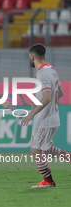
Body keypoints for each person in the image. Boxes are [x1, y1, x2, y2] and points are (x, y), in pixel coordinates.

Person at [21, 43, 70, 188]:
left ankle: (48, 182)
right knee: (45, 147)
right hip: (53, 116)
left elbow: (48, 97)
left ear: (32, 56)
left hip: (45, 120)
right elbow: (59, 93)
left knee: (35, 149)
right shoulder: (52, 70)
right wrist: (38, 102)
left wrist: (31, 114)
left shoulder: (42, 74)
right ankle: (68, 155)